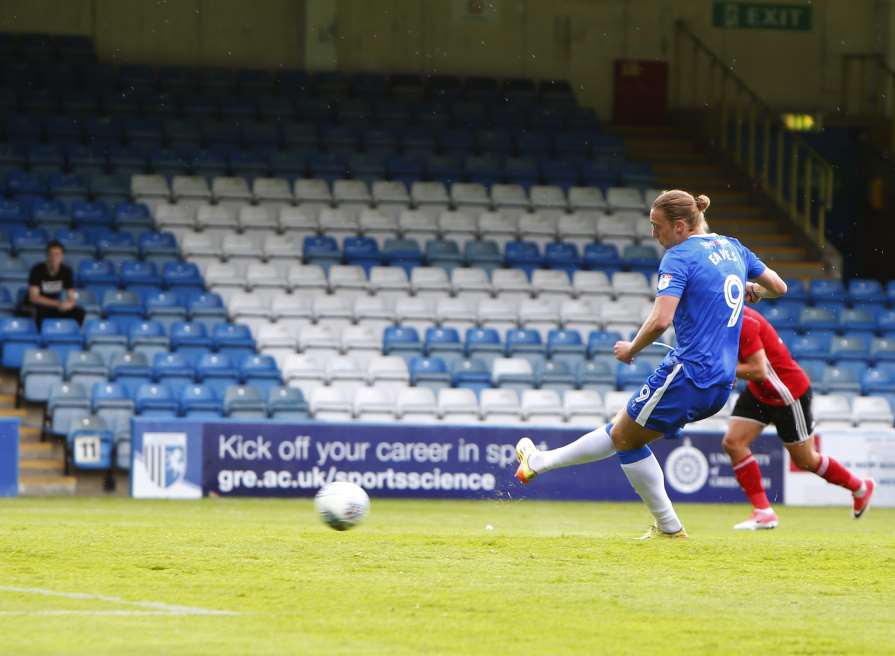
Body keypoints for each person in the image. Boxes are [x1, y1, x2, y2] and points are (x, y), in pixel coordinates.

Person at [514, 189, 787, 538]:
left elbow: (661, 320)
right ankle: (540, 462)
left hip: (688, 373)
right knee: (624, 429)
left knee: (625, 438)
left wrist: (631, 349)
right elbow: (778, 286)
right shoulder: (732, 246)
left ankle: (670, 529)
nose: (653, 234)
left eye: (657, 227)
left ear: (681, 226)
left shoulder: (679, 256)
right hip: (720, 385)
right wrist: (754, 290)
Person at [722, 306, 874, 529]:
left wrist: (724, 370)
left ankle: (860, 487)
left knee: (806, 460)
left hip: (788, 394)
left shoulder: (745, 321)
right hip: (759, 392)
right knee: (733, 443)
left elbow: (759, 369)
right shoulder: (722, 317)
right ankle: (764, 512)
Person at [26, 240, 85, 330]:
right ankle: (41, 339)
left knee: (79, 312)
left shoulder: (66, 271)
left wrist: (70, 304)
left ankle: (71, 334)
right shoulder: (37, 270)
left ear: (62, 256)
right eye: (51, 254)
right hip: (39, 306)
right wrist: (59, 304)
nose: (54, 258)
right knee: (39, 313)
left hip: (54, 305)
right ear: (47, 256)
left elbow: (71, 295)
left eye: (57, 255)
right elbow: (34, 297)